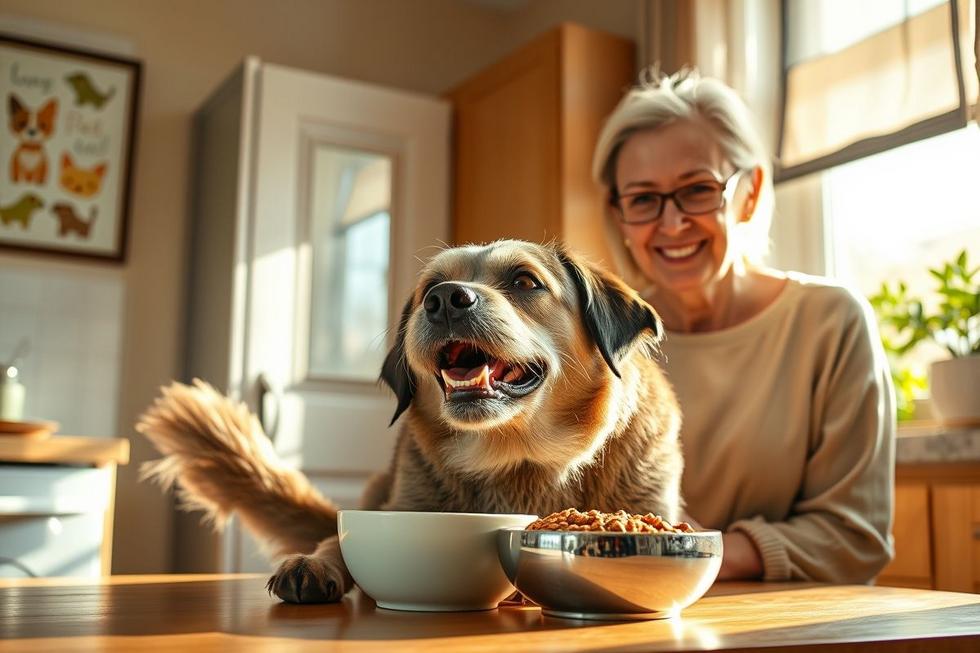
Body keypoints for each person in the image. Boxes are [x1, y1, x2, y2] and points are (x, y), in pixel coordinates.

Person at [591, 68, 895, 582]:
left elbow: (855, 538)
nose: (671, 224)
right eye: (643, 199)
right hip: (625, 610)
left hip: (790, 622)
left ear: (750, 192)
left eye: (697, 189)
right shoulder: (598, 339)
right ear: (619, 215)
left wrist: (698, 553)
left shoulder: (831, 322)